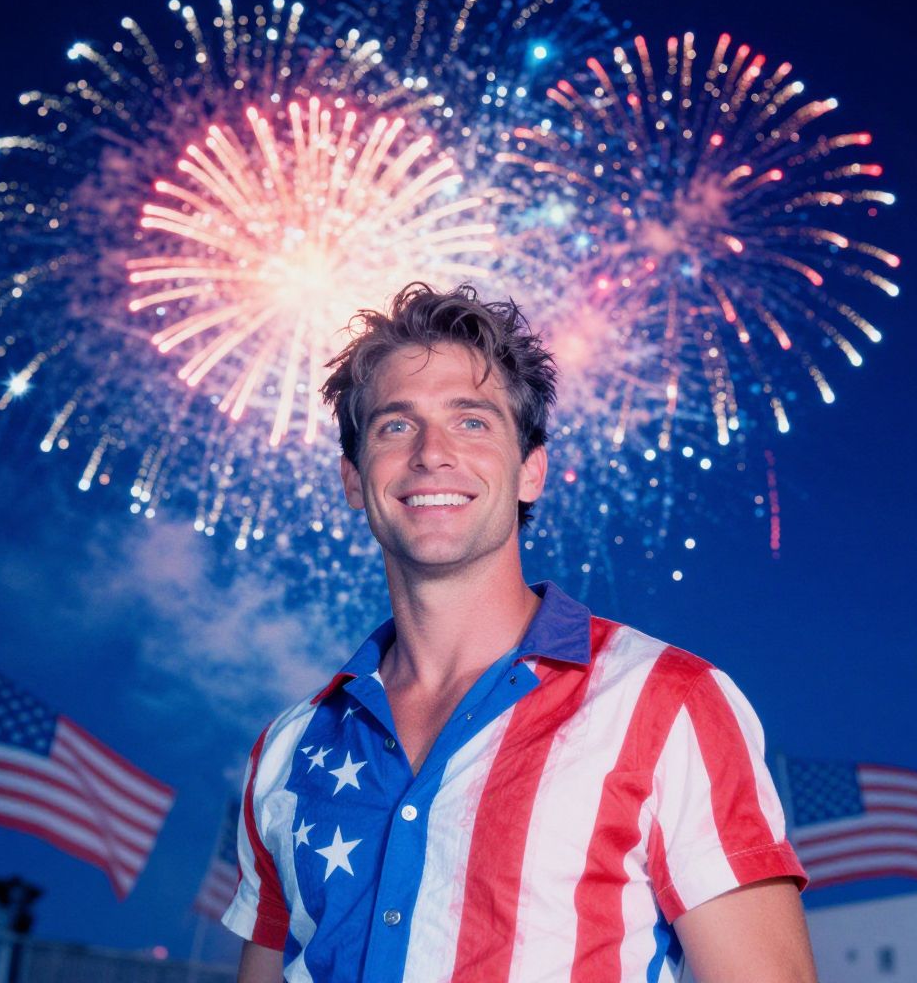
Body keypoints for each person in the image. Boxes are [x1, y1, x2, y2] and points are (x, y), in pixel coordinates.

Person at [223, 283, 816, 982]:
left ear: (531, 469)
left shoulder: (670, 703)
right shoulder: (289, 747)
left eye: (471, 422)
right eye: (394, 425)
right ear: (354, 479)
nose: (431, 453)